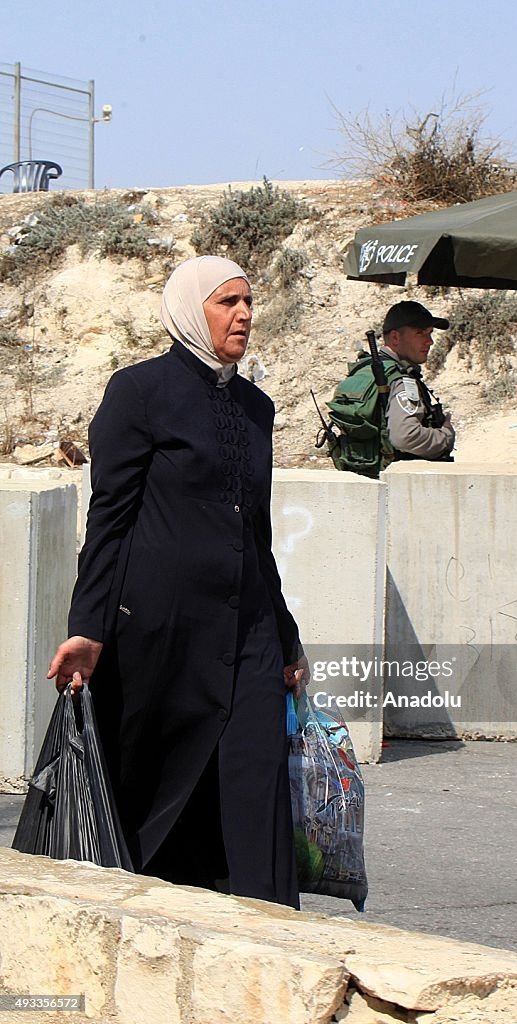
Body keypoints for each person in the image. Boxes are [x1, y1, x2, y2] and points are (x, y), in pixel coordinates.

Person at [47, 255, 308, 908]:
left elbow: (257, 534)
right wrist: (89, 628)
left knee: (256, 786)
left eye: (249, 301)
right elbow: (108, 522)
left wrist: (285, 635)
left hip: (247, 633)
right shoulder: (138, 393)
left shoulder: (257, 408)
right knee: (156, 795)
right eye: (227, 303)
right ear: (192, 310)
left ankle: (270, 939)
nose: (244, 314)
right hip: (159, 639)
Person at [379, 300, 456, 461]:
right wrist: (445, 436)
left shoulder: (369, 370)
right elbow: (406, 436)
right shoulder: (401, 380)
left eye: (430, 333)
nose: (429, 341)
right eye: (420, 333)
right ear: (395, 338)